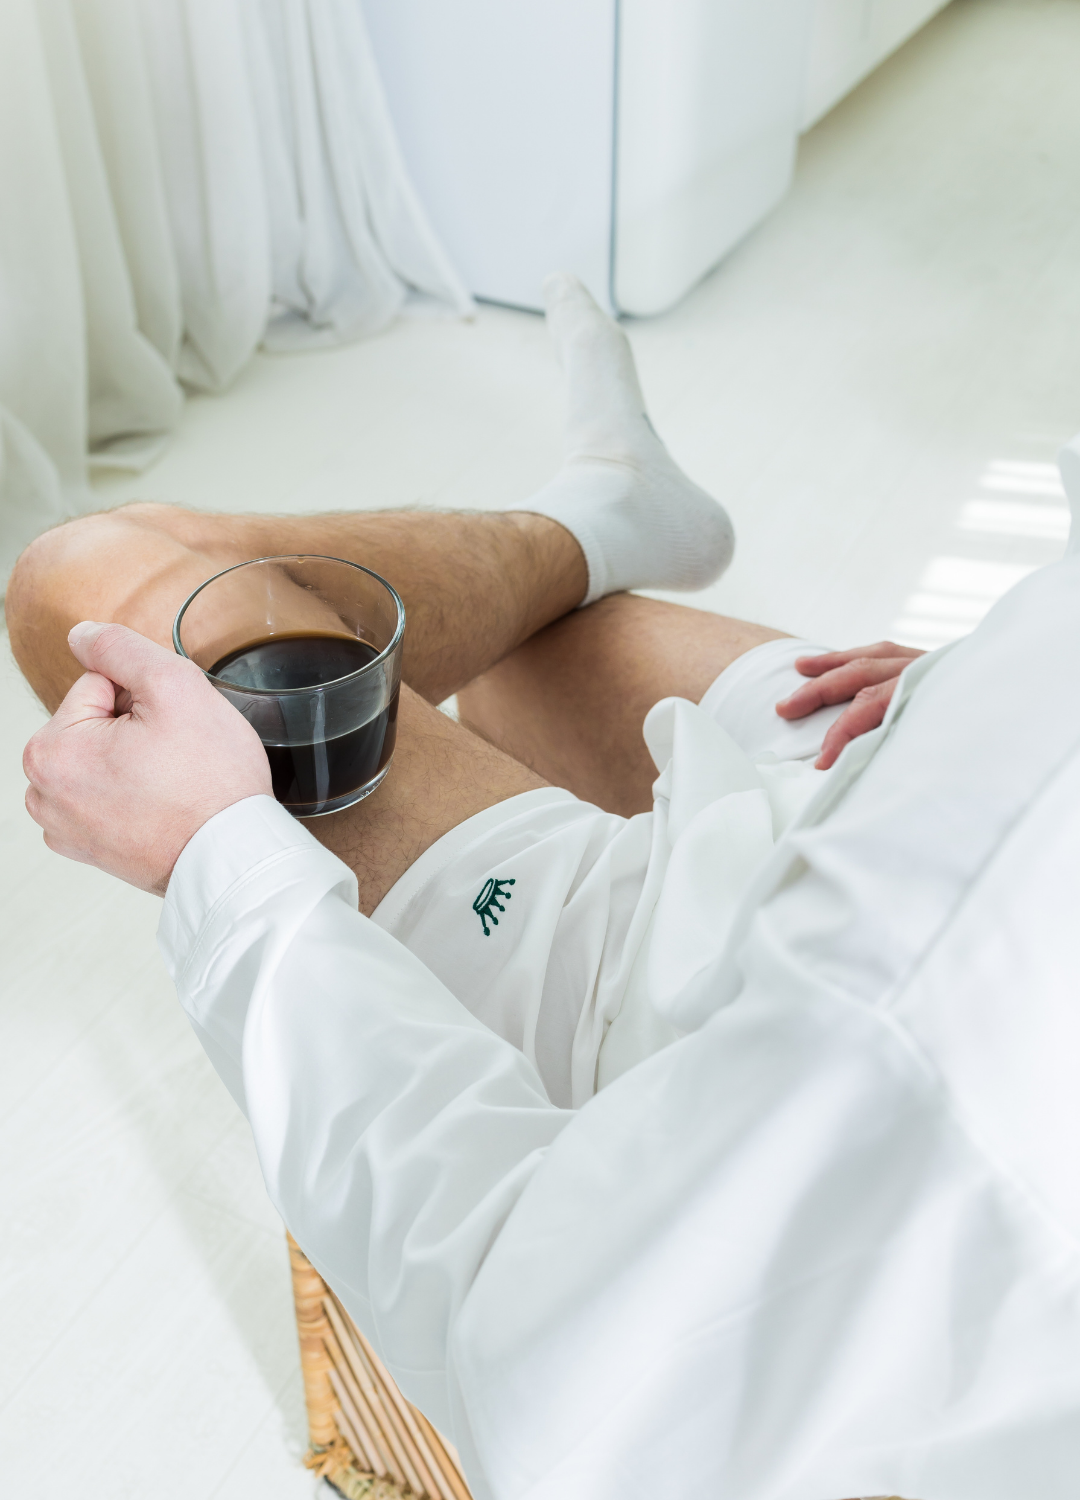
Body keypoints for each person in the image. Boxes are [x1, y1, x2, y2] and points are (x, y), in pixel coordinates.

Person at [12, 276, 1080, 1500]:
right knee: (523, 661)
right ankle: (605, 517)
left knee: (81, 574)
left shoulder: (928, 1017)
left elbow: (552, 1379)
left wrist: (218, 852)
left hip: (701, 981)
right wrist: (983, 675)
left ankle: (598, 517)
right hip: (875, 762)